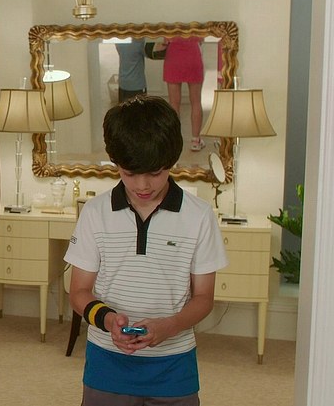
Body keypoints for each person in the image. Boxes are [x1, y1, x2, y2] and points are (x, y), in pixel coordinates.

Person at [65, 95, 228, 406]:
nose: (142, 185)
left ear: (172, 161)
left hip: (174, 366)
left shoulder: (199, 216)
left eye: (155, 173)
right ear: (115, 163)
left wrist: (169, 326)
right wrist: (109, 321)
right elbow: (79, 292)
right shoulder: (95, 213)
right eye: (129, 173)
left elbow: (204, 298)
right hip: (106, 364)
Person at [156, 36, 207, 151]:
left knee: (174, 104)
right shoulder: (195, 24)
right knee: (196, 102)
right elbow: (201, 38)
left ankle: (174, 140)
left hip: (174, 56)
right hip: (193, 55)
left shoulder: (171, 24)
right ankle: (196, 140)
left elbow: (165, 40)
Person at [115, 38, 147, 102]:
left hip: (123, 83)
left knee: (123, 107)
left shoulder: (119, 41)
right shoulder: (139, 42)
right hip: (137, 85)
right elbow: (150, 53)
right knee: (139, 108)